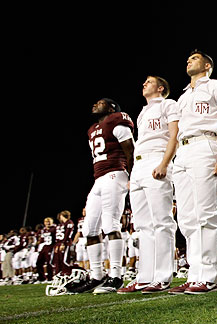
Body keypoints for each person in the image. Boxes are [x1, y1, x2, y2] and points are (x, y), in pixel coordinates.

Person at [168, 50, 217, 295]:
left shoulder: (216, 86)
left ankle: (209, 275)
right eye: (187, 59)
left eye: (194, 59)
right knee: (186, 217)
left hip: (206, 144)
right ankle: (195, 273)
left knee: (205, 213)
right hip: (183, 151)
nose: (188, 61)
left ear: (207, 65)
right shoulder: (183, 97)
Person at [118, 76, 179, 294]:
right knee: (143, 225)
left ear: (161, 87)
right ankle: (145, 277)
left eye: (149, 82)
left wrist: (165, 162)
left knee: (161, 221)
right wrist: (132, 173)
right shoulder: (142, 112)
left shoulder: (169, 104)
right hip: (140, 166)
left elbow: (174, 135)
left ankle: (162, 276)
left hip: (157, 160)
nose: (144, 84)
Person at [70, 98, 134, 294]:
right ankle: (96, 275)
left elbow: (130, 149)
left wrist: (132, 175)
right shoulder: (92, 129)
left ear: (112, 107)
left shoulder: (116, 120)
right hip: (99, 178)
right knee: (89, 229)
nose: (94, 104)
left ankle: (116, 275)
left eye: (100, 102)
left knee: (110, 225)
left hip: (115, 173)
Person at [52, 210, 75, 276]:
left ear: (62, 215)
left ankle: (67, 274)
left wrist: (63, 243)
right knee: (57, 260)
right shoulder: (60, 225)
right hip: (59, 243)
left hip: (65, 243)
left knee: (64, 260)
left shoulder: (69, 222)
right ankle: (59, 274)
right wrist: (56, 245)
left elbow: (67, 234)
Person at [36, 217, 56, 282]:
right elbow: (41, 239)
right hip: (44, 246)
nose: (47, 223)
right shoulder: (43, 230)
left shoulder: (54, 228)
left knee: (49, 262)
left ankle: (50, 278)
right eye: (46, 222)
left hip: (51, 246)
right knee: (39, 262)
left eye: (48, 222)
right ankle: (42, 278)